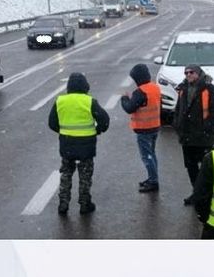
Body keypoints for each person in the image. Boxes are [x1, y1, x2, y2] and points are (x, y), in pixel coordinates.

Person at [47, 72, 110, 215]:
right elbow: (105, 120)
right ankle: (84, 204)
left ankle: (63, 203)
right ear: (85, 86)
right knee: (85, 176)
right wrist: (97, 130)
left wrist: (63, 130)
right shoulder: (89, 101)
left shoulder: (60, 101)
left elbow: (52, 123)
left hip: (67, 145)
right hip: (86, 147)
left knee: (66, 174)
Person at [173, 64, 214, 205]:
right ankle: (197, 193)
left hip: (203, 137)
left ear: (198, 73)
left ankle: (207, 194)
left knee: (206, 168)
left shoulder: (209, 89)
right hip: (187, 136)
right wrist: (177, 125)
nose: (188, 75)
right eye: (186, 73)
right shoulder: (183, 89)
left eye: (191, 72)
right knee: (191, 166)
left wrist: (208, 128)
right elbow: (178, 109)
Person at [120, 63, 162, 193]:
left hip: (144, 128)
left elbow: (129, 108)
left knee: (147, 156)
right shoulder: (155, 88)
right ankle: (152, 178)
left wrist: (124, 98)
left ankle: (153, 181)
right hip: (154, 126)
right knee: (152, 154)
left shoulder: (140, 92)